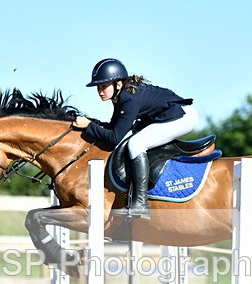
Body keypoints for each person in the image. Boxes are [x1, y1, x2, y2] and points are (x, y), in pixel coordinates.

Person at [72, 58, 198, 219]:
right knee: (134, 139)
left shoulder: (128, 98)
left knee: (136, 144)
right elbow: (115, 127)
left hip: (182, 118)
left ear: (117, 83)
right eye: (98, 87)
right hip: (168, 116)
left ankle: (141, 202)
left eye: (104, 86)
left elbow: (114, 138)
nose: (100, 91)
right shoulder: (122, 95)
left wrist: (89, 125)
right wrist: (93, 123)